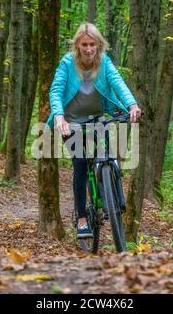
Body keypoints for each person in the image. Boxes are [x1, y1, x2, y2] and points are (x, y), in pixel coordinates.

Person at [47, 23, 141, 239]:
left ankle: (110, 196)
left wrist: (132, 105)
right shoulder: (67, 63)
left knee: (106, 156)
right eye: (84, 45)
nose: (89, 49)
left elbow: (118, 83)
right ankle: (82, 220)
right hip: (71, 122)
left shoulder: (104, 62)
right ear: (77, 46)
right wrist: (59, 116)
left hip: (98, 118)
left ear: (99, 45)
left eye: (93, 45)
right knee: (80, 165)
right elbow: (56, 90)